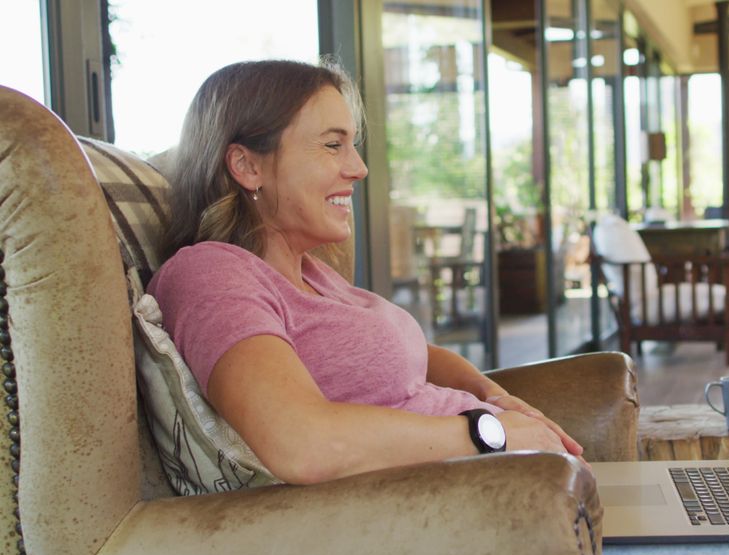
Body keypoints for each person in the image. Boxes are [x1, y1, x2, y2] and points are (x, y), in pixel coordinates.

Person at [149, 59, 580, 485]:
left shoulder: (312, 275)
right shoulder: (211, 275)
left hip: (519, 493)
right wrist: (490, 434)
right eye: (333, 145)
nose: (359, 167)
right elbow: (302, 445)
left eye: (352, 144)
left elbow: (419, 358)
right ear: (247, 166)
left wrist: (492, 397)